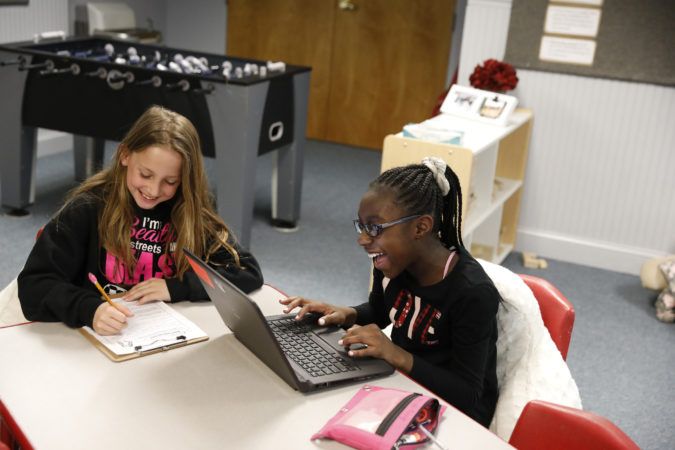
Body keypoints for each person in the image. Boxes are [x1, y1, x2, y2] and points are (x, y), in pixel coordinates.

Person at [281, 157, 500, 427]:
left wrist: (396, 354)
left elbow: (468, 395)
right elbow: (382, 310)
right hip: (402, 381)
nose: (362, 240)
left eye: (374, 228)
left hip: (454, 413)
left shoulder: (472, 293)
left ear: (420, 227)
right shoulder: (391, 262)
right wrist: (345, 313)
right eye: (361, 227)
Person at [19, 105, 263, 335]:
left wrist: (175, 287)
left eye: (170, 182)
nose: (154, 190)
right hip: (99, 337)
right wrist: (88, 308)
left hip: (165, 333)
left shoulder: (187, 212)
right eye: (145, 174)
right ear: (125, 155)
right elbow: (34, 286)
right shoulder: (87, 208)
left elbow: (247, 271)